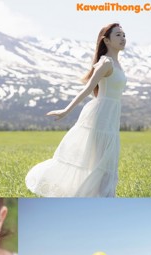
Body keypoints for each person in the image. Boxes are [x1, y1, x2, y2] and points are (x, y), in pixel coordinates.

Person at [25, 23, 127, 197]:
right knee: (101, 164)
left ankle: (101, 197)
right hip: (100, 117)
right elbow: (87, 89)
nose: (123, 38)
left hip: (111, 118)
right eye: (118, 35)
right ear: (107, 41)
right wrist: (66, 110)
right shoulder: (106, 63)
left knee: (108, 163)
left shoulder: (118, 64)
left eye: (124, 35)